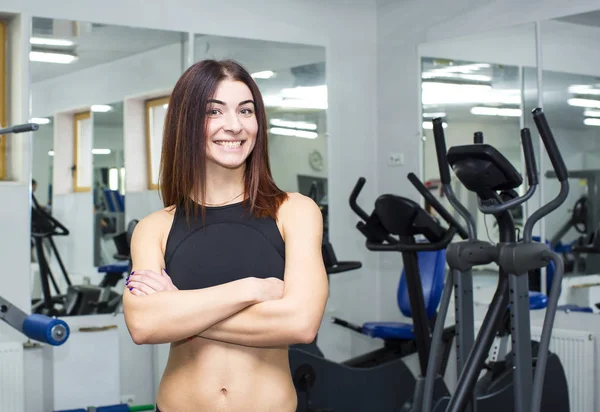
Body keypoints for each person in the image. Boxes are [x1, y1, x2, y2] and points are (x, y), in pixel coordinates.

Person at [122, 59, 329, 412]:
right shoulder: (154, 227)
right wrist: (251, 289)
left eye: (245, 111)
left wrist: (181, 311)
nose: (234, 126)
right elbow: (143, 325)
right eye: (214, 112)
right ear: (186, 123)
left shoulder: (295, 211)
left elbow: (301, 323)